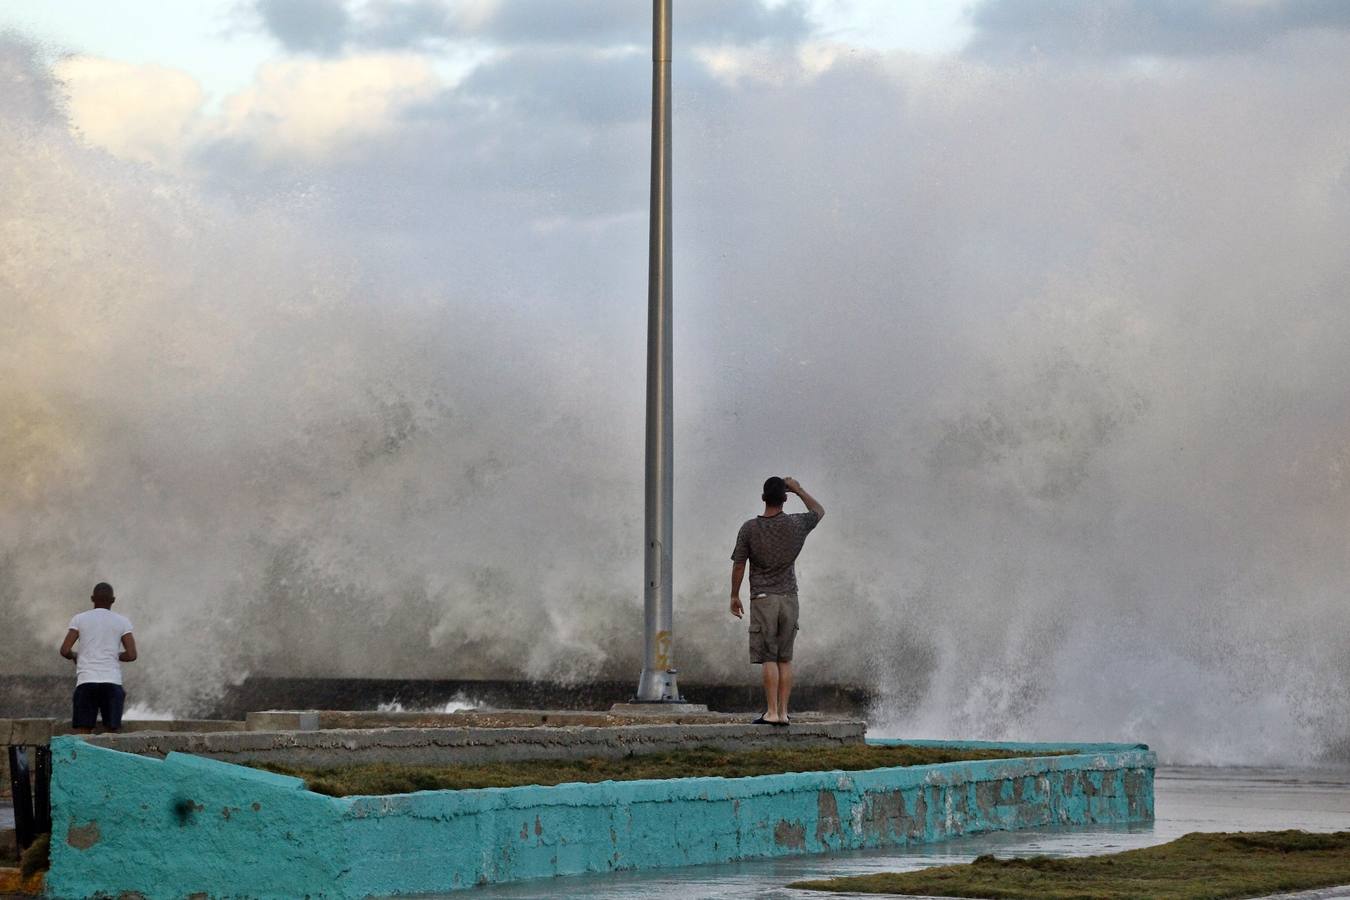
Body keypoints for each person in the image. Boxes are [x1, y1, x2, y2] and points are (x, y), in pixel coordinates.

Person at [729, 476, 824, 726]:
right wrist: (799, 489)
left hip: (763, 599)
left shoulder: (749, 528)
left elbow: (740, 564)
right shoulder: (796, 524)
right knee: (785, 658)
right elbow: (818, 511)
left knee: (769, 658)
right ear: (785, 498)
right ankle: (783, 713)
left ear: (763, 498)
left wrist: (734, 595)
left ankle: (771, 712)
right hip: (790, 599)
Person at [59, 582, 137, 733]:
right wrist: (116, 655)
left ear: (92, 598)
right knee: (111, 735)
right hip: (112, 682)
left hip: (87, 681)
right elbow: (132, 655)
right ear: (113, 600)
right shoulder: (122, 621)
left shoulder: (79, 619)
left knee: (83, 734)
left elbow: (64, 650)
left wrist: (74, 656)